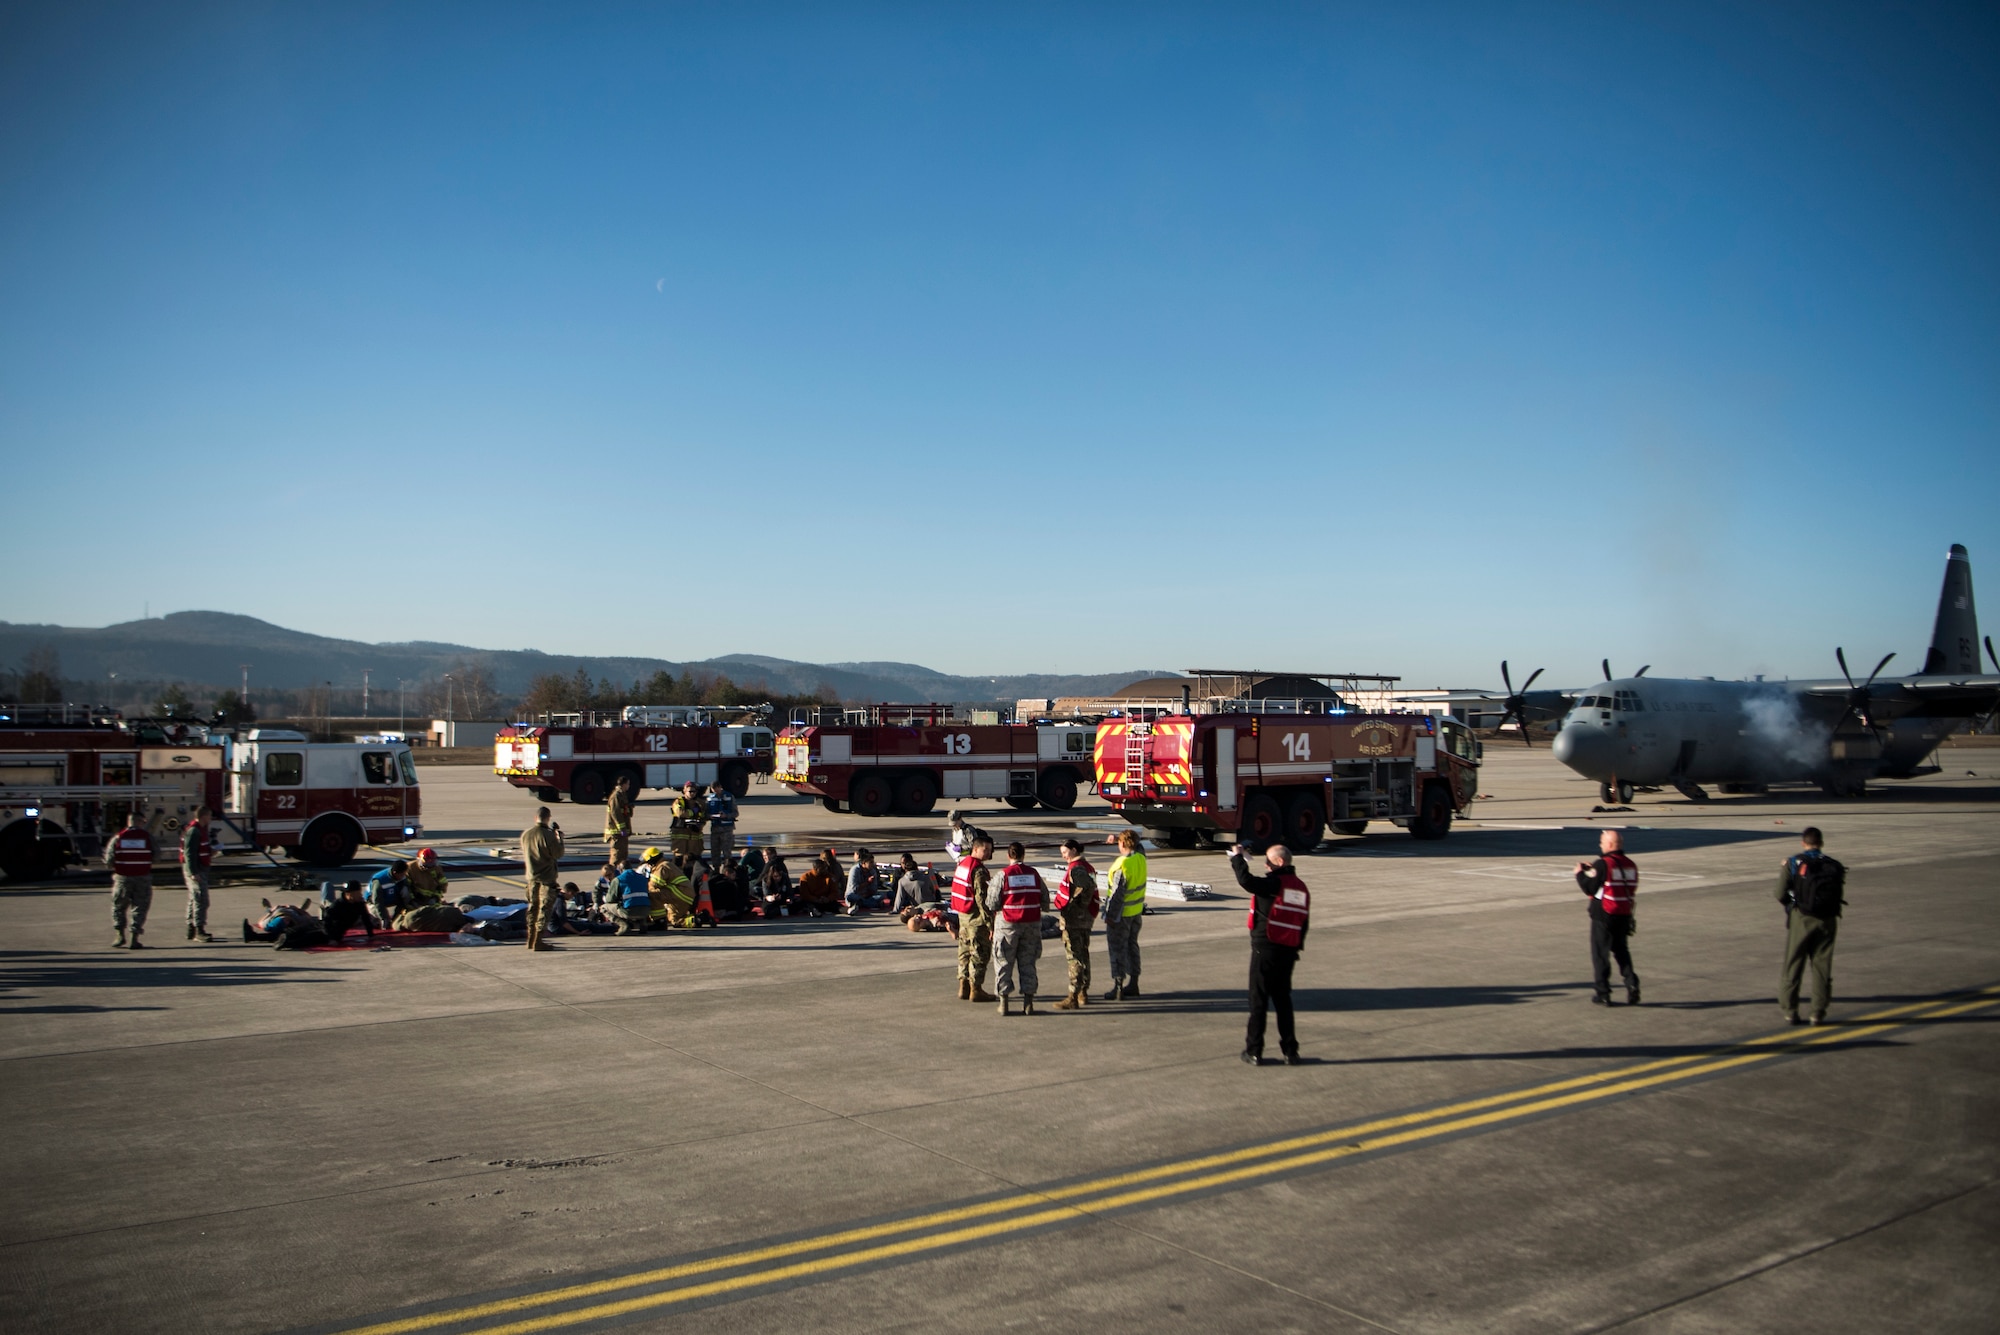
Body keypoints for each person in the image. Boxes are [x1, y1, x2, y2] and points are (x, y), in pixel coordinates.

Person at [1229, 842, 1311, 1065]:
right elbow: (1303, 921)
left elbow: (1247, 882)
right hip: (1288, 950)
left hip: (1266, 948)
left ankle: (1254, 1050)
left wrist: (1237, 858)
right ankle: (1290, 1051)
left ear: (1280, 862)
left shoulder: (1275, 883)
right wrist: (1296, 949)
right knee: (1283, 1000)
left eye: (1268, 860)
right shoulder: (1300, 887)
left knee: (1258, 1001)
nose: (1265, 864)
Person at [1776, 826, 1845, 1025]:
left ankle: (1790, 1010)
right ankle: (1818, 1012)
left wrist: (1792, 905)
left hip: (1801, 918)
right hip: (1828, 920)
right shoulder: (1834, 865)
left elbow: (1779, 893)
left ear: (1803, 843)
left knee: (1794, 963)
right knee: (1822, 967)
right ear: (1821, 844)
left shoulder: (1793, 863)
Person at [1574, 829, 1640, 1006]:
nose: (1600, 844)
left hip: (1605, 915)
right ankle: (1632, 983)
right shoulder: (1630, 864)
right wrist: (1594, 870)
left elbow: (1590, 888)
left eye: (1602, 842)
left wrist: (1580, 873)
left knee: (1600, 954)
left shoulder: (1604, 864)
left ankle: (1603, 992)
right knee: (1621, 951)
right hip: (1624, 914)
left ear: (1610, 844)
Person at [986, 842, 1048, 1015]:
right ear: (1023, 855)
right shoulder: (1034, 874)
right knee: (1028, 963)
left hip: (1008, 925)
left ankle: (1004, 1002)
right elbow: (1045, 898)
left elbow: (991, 903)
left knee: (1003, 962)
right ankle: (1028, 1003)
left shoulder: (1003, 875)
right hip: (1032, 924)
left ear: (1008, 856)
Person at [950, 834, 998, 1002]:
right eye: (985, 850)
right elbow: (982, 899)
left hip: (963, 916)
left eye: (990, 851)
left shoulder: (963, 864)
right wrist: (990, 923)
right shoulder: (978, 870)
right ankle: (976, 989)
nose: (988, 854)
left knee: (964, 952)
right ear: (975, 849)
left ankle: (963, 986)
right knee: (980, 953)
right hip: (976, 919)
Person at [1051, 837, 1098, 1010]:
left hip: (1075, 919)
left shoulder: (1077, 869)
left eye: (1064, 852)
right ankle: (1083, 993)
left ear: (1074, 850)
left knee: (1075, 957)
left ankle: (1073, 995)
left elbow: (1085, 889)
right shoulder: (1087, 867)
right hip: (1085, 918)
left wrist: (1074, 908)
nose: (1063, 856)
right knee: (1083, 954)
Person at [1101, 829, 1148, 999]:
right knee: (1132, 947)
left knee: (1117, 949)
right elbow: (1139, 846)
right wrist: (1121, 838)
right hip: (1136, 913)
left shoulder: (1122, 865)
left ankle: (1118, 985)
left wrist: (1110, 916)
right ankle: (1134, 982)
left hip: (1121, 915)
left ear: (1121, 844)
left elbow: (1116, 895)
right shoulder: (1140, 858)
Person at [105, 811, 155, 950]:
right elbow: (157, 855)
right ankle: (134, 937)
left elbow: (109, 860)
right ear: (139, 822)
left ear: (129, 821)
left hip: (122, 878)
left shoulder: (118, 837)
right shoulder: (147, 837)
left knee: (119, 907)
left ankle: (119, 935)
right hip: (142, 878)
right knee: (139, 907)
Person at [520, 807, 565, 952]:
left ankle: (530, 939)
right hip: (546, 878)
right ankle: (538, 941)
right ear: (548, 818)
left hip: (531, 878)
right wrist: (560, 840)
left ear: (536, 817)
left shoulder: (526, 834)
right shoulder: (548, 835)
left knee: (532, 909)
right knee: (544, 910)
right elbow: (558, 854)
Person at [180, 805, 215, 942]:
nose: (210, 819)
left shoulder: (200, 830)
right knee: (201, 899)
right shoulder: (194, 831)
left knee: (194, 899)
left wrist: (210, 852)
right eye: (209, 816)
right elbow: (189, 853)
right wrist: (193, 872)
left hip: (200, 867)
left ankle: (191, 928)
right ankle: (199, 930)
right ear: (204, 816)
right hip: (197, 869)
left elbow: (199, 849)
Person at [652, 853, 697, 929]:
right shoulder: (667, 864)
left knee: (653, 895)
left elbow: (655, 884)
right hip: (684, 895)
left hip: (679, 894)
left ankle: (659, 921)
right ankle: (699, 919)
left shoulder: (662, 867)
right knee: (675, 920)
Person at [613, 856, 655, 934]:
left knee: (604, 908)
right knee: (639, 902)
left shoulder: (618, 879)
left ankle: (623, 925)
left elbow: (610, 899)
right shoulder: (642, 878)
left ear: (620, 869)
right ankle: (643, 923)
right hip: (646, 911)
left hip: (629, 911)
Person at [368, 860, 414, 930]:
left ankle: (397, 915)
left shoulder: (402, 877)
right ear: (395, 873)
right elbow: (377, 901)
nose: (403, 876)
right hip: (374, 901)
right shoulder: (379, 880)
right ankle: (373, 918)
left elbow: (406, 895)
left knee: (405, 892)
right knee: (377, 920)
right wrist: (384, 918)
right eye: (402, 874)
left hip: (391, 897)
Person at [604, 775, 637, 868]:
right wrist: (622, 828)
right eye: (628, 784)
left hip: (621, 833)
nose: (628, 786)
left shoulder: (622, 795)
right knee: (617, 856)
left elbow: (623, 811)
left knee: (623, 856)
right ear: (623, 784)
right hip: (616, 833)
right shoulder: (616, 796)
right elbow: (616, 813)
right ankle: (612, 874)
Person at [669, 782, 706, 860]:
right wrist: (693, 812)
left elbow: (704, 815)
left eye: (694, 791)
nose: (692, 793)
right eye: (690, 791)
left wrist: (700, 824)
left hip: (694, 835)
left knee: (694, 859)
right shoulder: (679, 801)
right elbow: (680, 813)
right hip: (680, 834)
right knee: (679, 859)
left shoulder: (700, 803)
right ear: (684, 791)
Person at [705, 782, 738, 862]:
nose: (716, 792)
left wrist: (726, 815)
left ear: (720, 787)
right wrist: (709, 816)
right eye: (713, 790)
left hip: (727, 829)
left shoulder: (729, 797)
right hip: (715, 828)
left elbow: (735, 813)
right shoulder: (709, 799)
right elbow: (705, 813)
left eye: (717, 790)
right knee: (715, 852)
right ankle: (716, 869)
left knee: (727, 852)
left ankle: (728, 868)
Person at [845, 848, 882, 916]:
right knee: (851, 897)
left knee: (880, 896)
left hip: (867, 895)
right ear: (863, 863)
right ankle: (863, 903)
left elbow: (874, 889)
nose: (872, 864)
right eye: (870, 862)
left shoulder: (872, 871)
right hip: (855, 895)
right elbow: (854, 889)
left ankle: (861, 904)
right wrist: (867, 882)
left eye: (872, 862)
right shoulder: (854, 870)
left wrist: (867, 894)